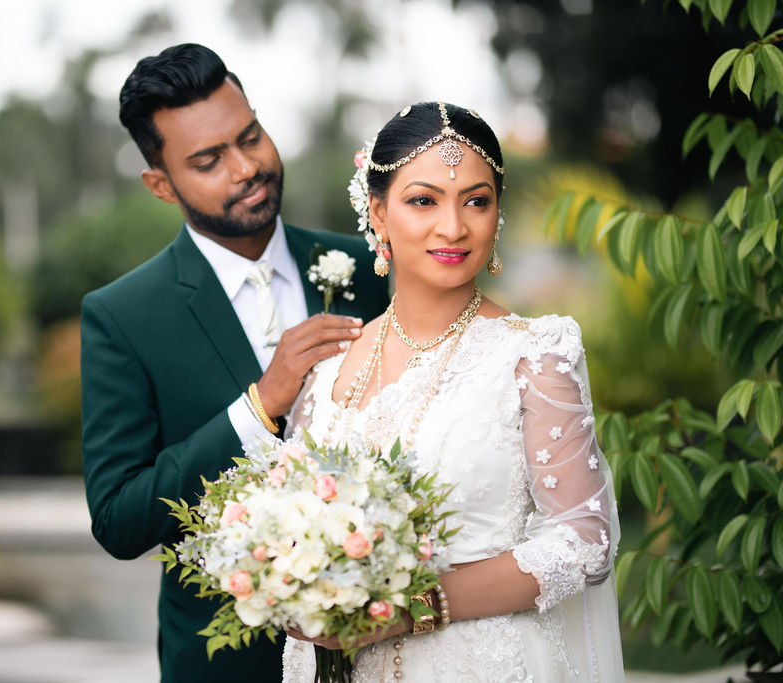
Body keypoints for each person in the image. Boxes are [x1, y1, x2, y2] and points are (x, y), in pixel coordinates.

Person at [282, 101, 625, 681]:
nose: (454, 227)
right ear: (379, 213)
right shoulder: (326, 371)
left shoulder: (534, 354)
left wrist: (413, 609)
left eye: (477, 200)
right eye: (424, 200)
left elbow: (585, 541)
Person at [80, 44, 390, 683]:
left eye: (250, 136)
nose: (247, 166)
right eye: (208, 160)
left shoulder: (370, 268)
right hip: (225, 664)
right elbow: (118, 518)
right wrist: (258, 407)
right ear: (161, 184)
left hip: (389, 648)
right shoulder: (123, 316)